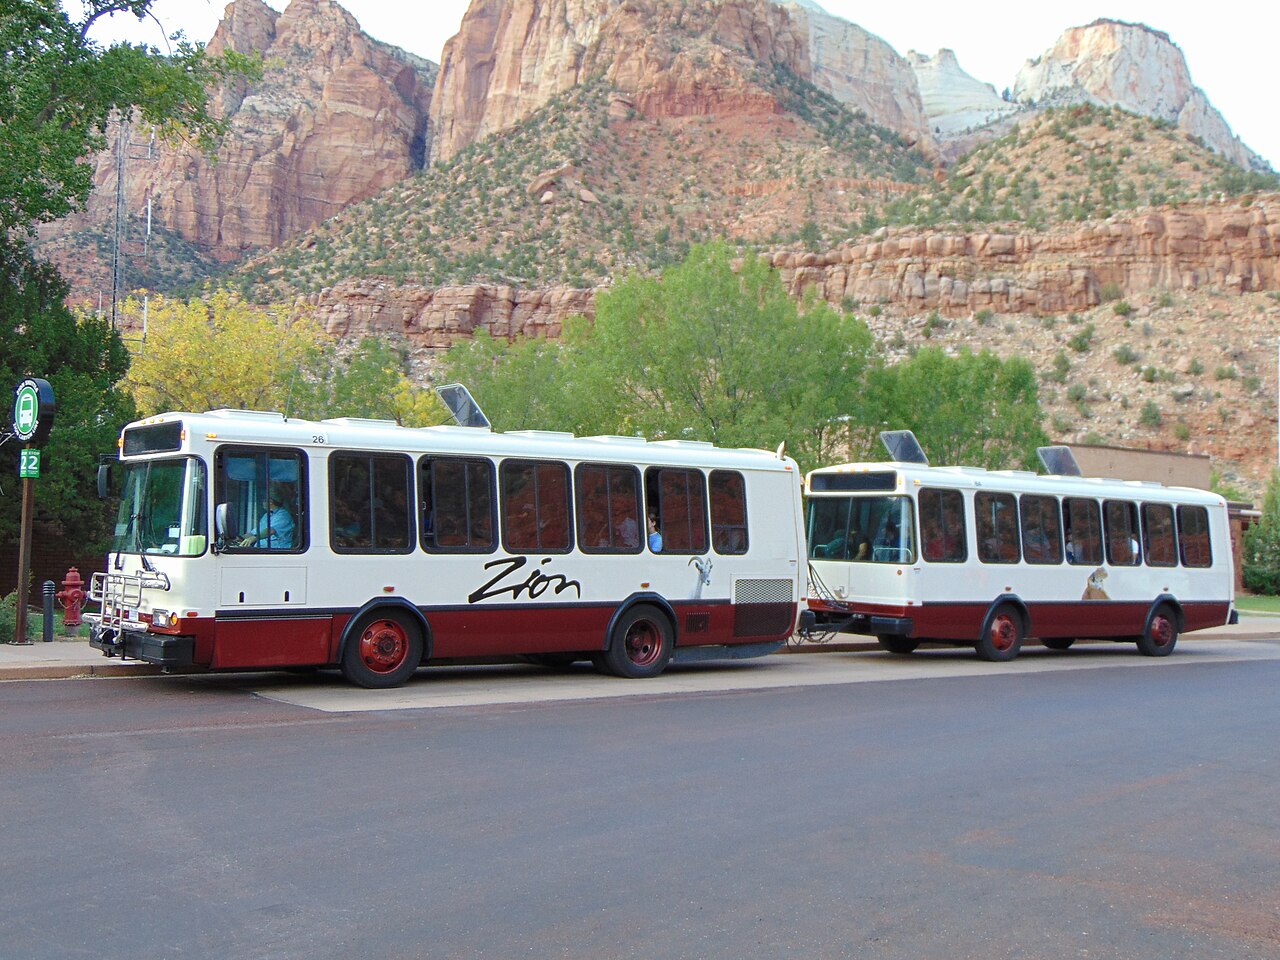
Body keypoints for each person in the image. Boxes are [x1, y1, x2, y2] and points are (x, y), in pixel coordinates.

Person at [240, 482, 294, 549]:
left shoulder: (283, 515)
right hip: (261, 550)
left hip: (277, 552)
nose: (263, 502)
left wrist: (254, 538)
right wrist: (240, 538)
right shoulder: (266, 515)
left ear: (270, 501)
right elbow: (255, 532)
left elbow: (271, 530)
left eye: (264, 500)